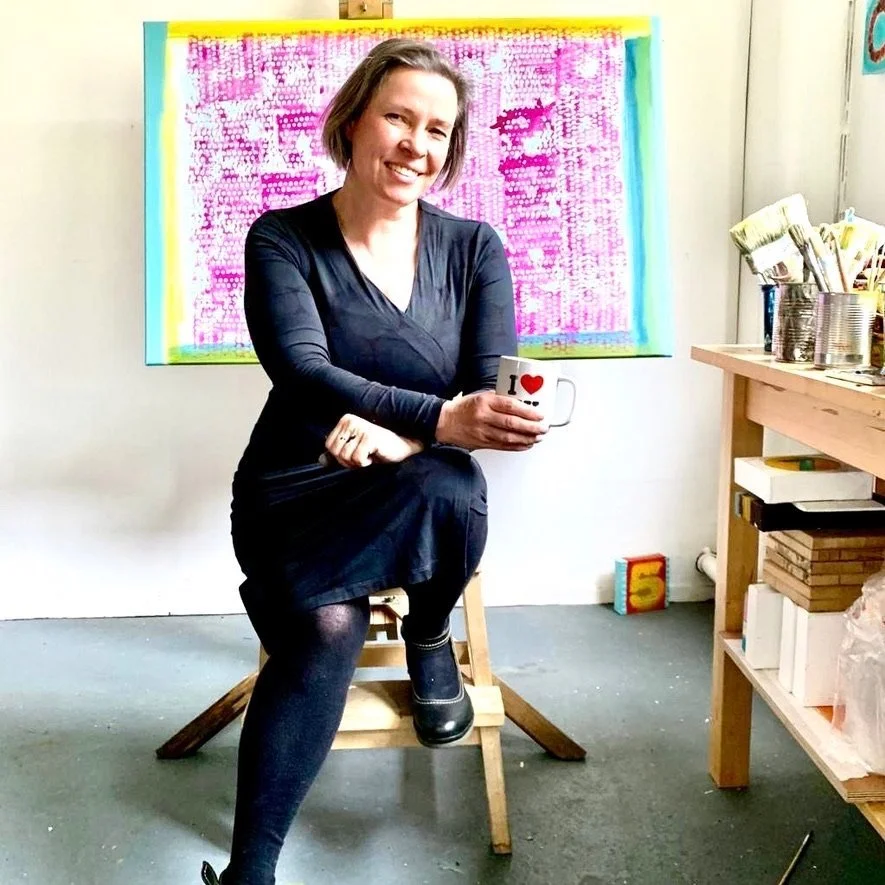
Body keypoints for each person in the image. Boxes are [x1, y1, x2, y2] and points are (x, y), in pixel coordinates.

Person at [201, 37, 546, 885]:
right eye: (397, 117)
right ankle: (250, 873)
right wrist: (437, 417)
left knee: (453, 484)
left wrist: (413, 437)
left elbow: (485, 390)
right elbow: (302, 370)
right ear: (353, 121)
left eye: (436, 130)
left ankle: (429, 629)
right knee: (325, 629)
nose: (415, 145)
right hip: (295, 488)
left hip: (411, 480)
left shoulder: (475, 248)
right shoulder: (281, 238)